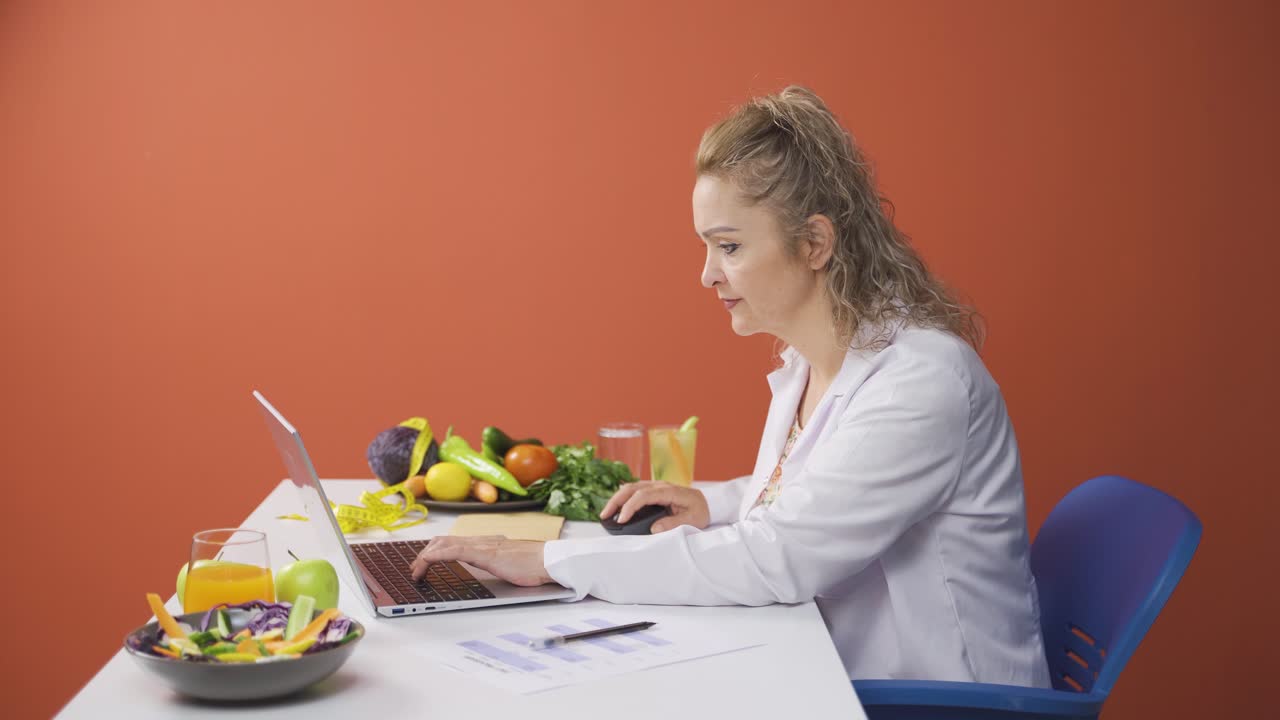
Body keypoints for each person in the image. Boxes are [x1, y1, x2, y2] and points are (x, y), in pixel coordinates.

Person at [411, 86, 1051, 687]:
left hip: (937, 701)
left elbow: (779, 556)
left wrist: (550, 563)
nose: (707, 275)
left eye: (730, 247)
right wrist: (714, 503)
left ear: (815, 242)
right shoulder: (812, 362)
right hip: (835, 674)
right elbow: (831, 486)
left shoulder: (920, 381)